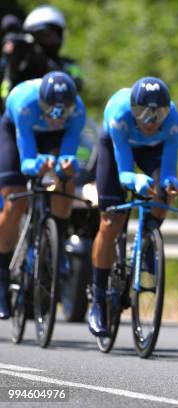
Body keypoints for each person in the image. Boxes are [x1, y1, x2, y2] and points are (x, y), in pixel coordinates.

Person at [88, 77, 178, 336]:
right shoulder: (120, 115)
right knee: (110, 222)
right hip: (117, 149)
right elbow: (124, 173)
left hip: (152, 150)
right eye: (142, 113)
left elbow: (168, 169)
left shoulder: (174, 122)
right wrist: (136, 179)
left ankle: (148, 238)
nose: (150, 121)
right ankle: (97, 300)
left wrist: (170, 182)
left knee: (163, 192)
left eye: (158, 113)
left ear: (167, 110)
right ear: (132, 109)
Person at [0, 71, 85, 319]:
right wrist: (36, 164)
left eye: (63, 112)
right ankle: (2, 277)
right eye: (52, 110)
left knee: (66, 178)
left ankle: (57, 237)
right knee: (15, 203)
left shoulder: (77, 112)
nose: (57, 117)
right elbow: (26, 160)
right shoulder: (25, 103)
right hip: (18, 132)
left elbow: (69, 155)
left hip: (52, 140)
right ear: (41, 102)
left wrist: (64, 166)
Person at [1, 5, 83, 110]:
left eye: (54, 36)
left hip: (56, 121)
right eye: (45, 36)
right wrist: (11, 60)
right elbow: (6, 91)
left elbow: (77, 83)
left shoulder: (68, 65)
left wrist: (47, 65)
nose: (50, 40)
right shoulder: (19, 60)